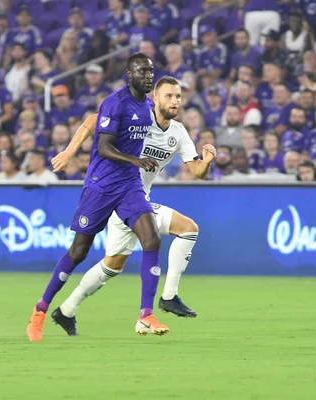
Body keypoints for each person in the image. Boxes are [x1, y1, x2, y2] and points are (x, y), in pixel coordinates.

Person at [49, 76, 217, 336]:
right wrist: (69, 153)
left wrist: (205, 162)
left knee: (112, 266)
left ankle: (66, 310)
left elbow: (197, 171)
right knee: (188, 229)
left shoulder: (178, 132)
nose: (175, 101)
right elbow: (91, 122)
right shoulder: (138, 117)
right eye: (169, 96)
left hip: (137, 201)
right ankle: (167, 297)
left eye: (178, 97)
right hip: (123, 196)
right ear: (155, 98)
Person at [27, 54, 161, 342]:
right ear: (129, 75)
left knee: (151, 239)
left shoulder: (148, 104)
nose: (149, 76)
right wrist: (134, 160)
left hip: (128, 185)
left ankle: (146, 313)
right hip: (101, 186)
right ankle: (40, 310)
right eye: (143, 71)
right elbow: (103, 146)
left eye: (151, 71)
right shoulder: (115, 102)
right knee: (78, 252)